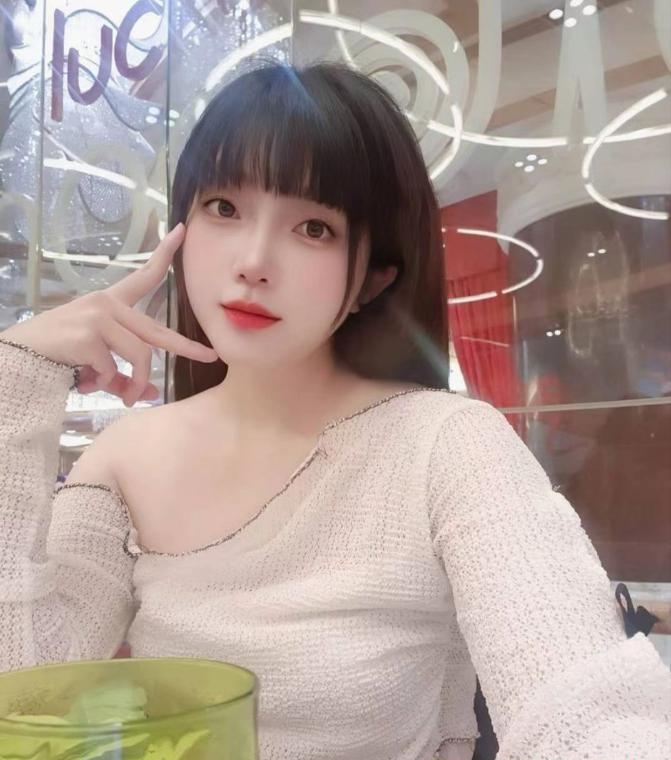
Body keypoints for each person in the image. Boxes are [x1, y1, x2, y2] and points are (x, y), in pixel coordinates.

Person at [0, 61, 669, 760]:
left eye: (314, 228)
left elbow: (580, 708)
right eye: (223, 208)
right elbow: (29, 697)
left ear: (372, 279)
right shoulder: (125, 456)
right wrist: (16, 380)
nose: (253, 261)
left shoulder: (445, 444)